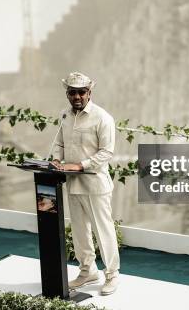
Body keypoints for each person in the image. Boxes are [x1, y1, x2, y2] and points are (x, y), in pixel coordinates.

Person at [49, 71, 120, 296]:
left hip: (96, 185)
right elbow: (59, 143)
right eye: (72, 92)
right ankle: (87, 271)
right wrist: (57, 159)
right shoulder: (65, 116)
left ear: (89, 93)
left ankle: (112, 275)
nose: (77, 96)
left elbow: (106, 152)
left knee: (103, 230)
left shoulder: (103, 118)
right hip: (73, 184)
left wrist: (79, 165)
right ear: (67, 94)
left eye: (81, 92)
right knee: (80, 231)